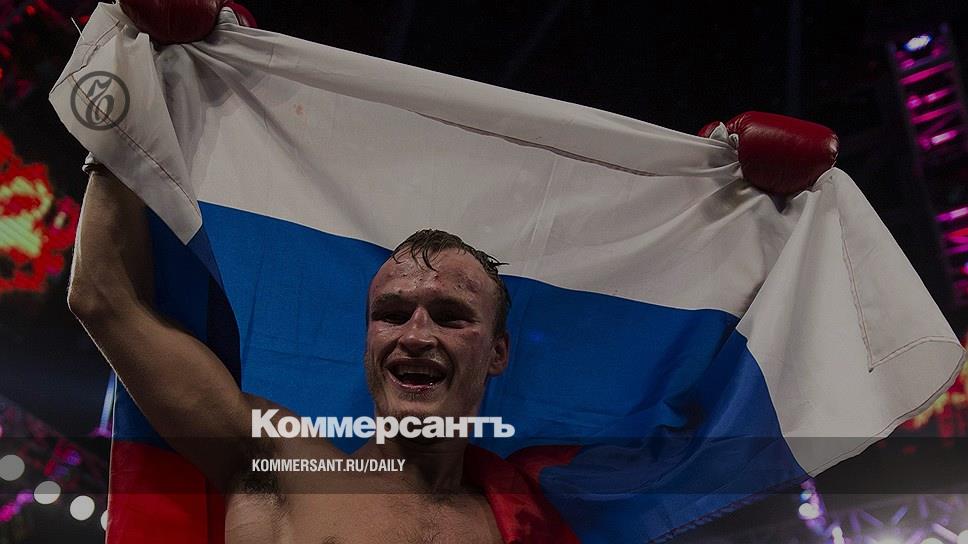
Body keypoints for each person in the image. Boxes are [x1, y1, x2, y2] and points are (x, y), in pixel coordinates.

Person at [67, 166, 566, 543]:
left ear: (498, 352)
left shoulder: (529, 523)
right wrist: (125, 128)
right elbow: (102, 299)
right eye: (392, 314)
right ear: (368, 343)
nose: (415, 335)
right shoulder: (278, 467)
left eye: (449, 316)